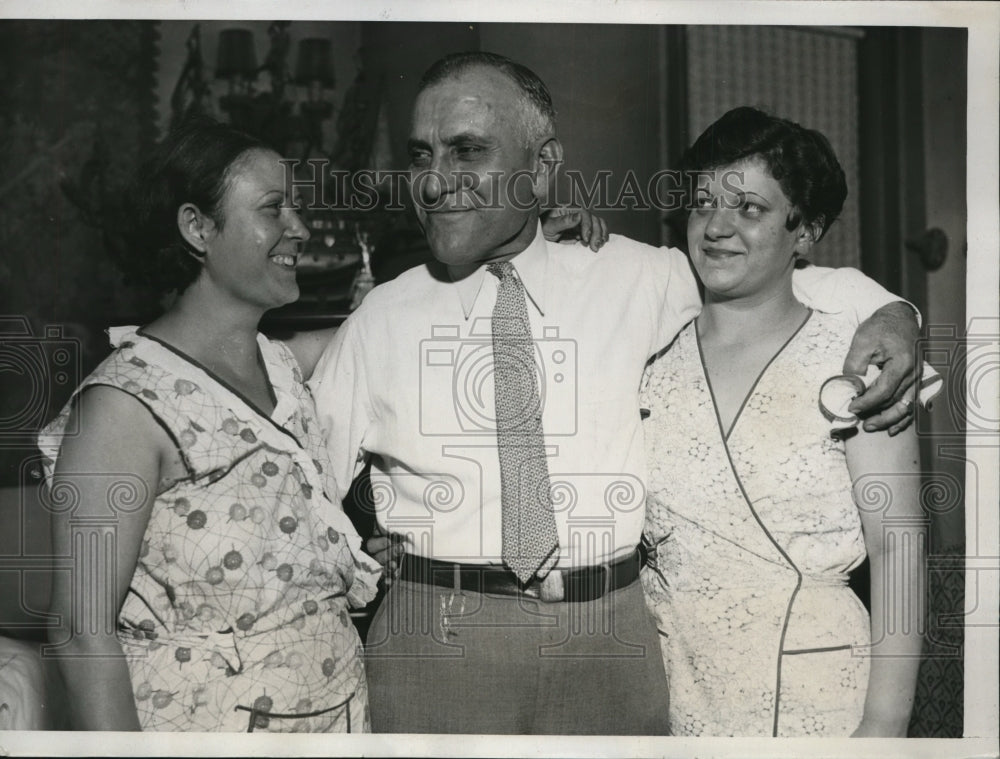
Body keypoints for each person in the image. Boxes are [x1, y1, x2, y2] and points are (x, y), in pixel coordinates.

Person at [309, 52, 922, 735]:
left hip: (615, 647)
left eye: (468, 151)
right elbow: (297, 498)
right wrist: (363, 558)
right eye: (421, 155)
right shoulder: (379, 319)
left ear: (543, 168)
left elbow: (780, 284)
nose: (435, 181)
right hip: (440, 642)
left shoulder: (637, 277)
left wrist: (898, 312)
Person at [37, 117, 382, 732]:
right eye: (274, 210)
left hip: (337, 721)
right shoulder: (122, 405)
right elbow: (78, 634)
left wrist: (534, 248)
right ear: (198, 227)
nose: (298, 230)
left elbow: (398, 324)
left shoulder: (284, 367)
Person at [639, 107, 925, 737]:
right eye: (704, 202)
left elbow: (898, 552)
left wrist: (883, 729)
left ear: (805, 231)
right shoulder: (650, 359)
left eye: (750, 209)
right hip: (672, 686)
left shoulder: (860, 364)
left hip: (818, 696)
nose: (716, 226)